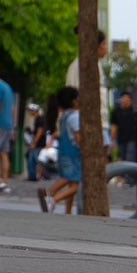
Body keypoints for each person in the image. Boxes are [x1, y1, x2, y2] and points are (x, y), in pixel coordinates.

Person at [38, 86, 83, 214]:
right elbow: (78, 137)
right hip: (73, 154)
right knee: (75, 184)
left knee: (68, 180)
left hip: (63, 152)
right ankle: (52, 197)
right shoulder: (75, 116)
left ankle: (66, 210)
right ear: (74, 101)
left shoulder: (64, 116)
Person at [112, 90, 137, 166]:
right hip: (121, 140)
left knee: (130, 159)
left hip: (132, 139)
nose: (125, 101)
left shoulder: (134, 112)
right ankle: (126, 176)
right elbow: (114, 126)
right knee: (124, 159)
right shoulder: (117, 112)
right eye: (123, 99)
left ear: (130, 101)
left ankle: (130, 177)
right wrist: (113, 140)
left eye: (127, 100)